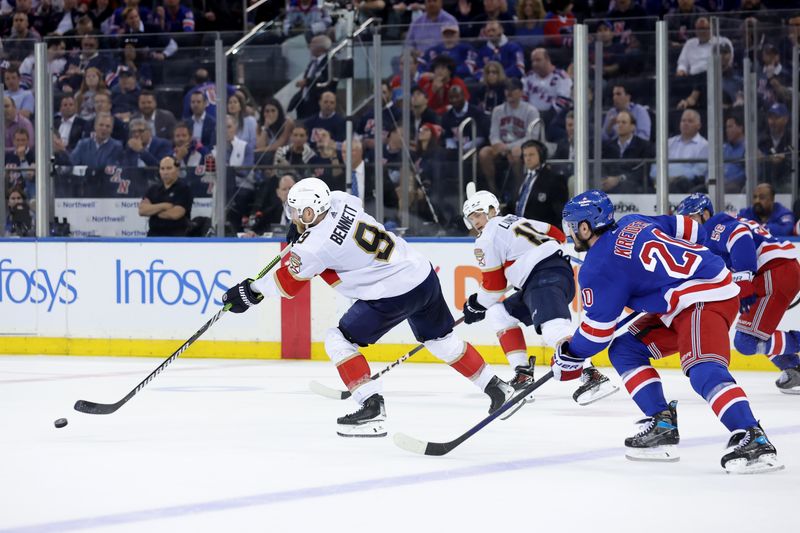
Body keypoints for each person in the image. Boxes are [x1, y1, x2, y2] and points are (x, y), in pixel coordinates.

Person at [222, 178, 519, 437]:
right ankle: (497, 388)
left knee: (338, 340)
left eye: (298, 213)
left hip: (391, 293)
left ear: (311, 212)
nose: (294, 217)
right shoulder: (342, 200)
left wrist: (249, 292)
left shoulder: (314, 247)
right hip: (421, 275)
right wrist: (302, 230)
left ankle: (371, 406)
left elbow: (287, 284)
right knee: (441, 340)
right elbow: (332, 215)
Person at [552, 189, 782, 473]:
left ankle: (753, 436)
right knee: (626, 349)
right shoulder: (633, 221)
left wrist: (569, 353)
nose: (570, 233)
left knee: (703, 370)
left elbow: (597, 333)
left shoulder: (597, 266)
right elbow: (690, 228)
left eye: (572, 227)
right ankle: (661, 422)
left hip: (702, 297)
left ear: (585, 227)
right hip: (688, 296)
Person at [461, 190, 618, 405]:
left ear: (491, 210)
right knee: (500, 314)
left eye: (479, 214)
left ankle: (592, 375)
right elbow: (557, 233)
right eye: (472, 218)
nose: (476, 221)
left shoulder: (486, 238)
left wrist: (475, 305)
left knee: (554, 329)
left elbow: (494, 287)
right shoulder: (516, 220)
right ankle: (523, 374)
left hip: (542, 279)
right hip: (550, 276)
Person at [676, 193, 800, 394]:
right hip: (775, 272)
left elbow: (739, 236)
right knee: (753, 333)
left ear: (706, 214)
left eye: (691, 218)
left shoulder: (714, 226)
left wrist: (744, 281)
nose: (688, 225)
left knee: (746, 341)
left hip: (775, 271)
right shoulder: (706, 236)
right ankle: (793, 367)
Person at [479, 78, 540, 196]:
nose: (509, 92)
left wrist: (510, 147)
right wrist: (499, 145)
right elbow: (493, 134)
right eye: (507, 89)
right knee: (484, 153)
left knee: (517, 154)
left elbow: (532, 137)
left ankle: (519, 191)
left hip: (521, 147)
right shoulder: (498, 110)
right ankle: (492, 189)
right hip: (501, 147)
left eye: (513, 89)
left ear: (521, 92)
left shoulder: (531, 111)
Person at [515, 140, 567, 227]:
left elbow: (559, 213)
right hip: (516, 230)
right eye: (525, 155)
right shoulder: (521, 178)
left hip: (540, 232)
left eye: (531, 154)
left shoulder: (555, 179)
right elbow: (512, 205)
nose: (528, 158)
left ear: (541, 156)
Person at [138, 156, 193, 237]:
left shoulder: (184, 189)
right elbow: (142, 210)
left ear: (177, 170)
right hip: (153, 236)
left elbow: (175, 214)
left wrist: (153, 211)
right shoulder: (153, 189)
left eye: (169, 168)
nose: (165, 172)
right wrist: (164, 206)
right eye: (162, 169)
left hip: (176, 237)